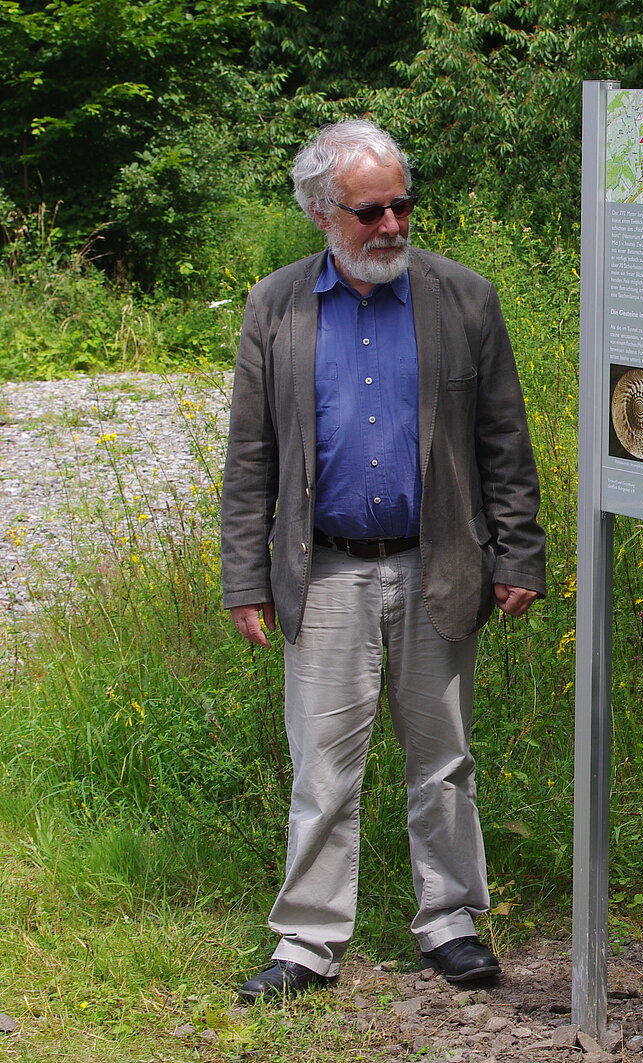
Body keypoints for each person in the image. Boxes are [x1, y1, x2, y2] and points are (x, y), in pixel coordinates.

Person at [221, 119, 546, 1002]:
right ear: (323, 214)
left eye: (404, 203)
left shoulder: (464, 300)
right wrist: (244, 577)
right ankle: (308, 943)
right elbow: (251, 456)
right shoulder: (276, 307)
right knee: (322, 766)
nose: (394, 224)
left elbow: (503, 444)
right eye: (372, 211)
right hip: (322, 571)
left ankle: (450, 923)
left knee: (442, 760)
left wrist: (519, 553)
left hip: (437, 564)